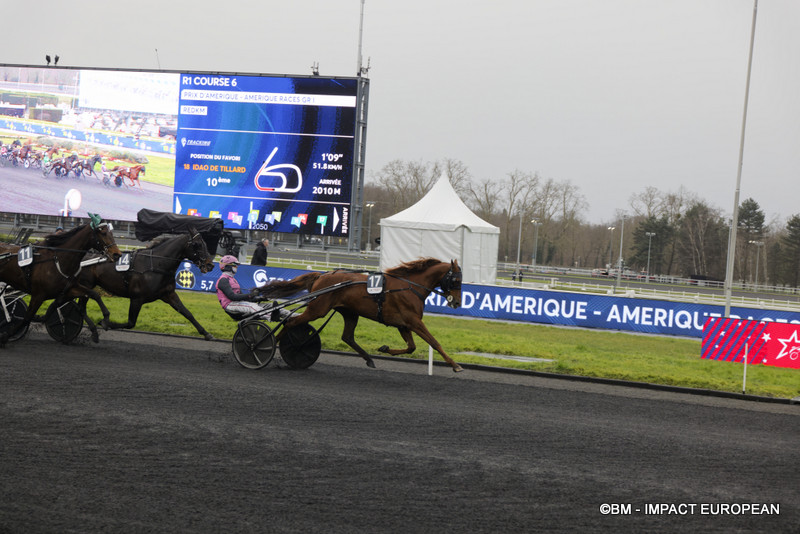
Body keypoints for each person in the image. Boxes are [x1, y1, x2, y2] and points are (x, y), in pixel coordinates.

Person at [216, 255, 292, 321]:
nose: (237, 267)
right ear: (227, 266)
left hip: (238, 303)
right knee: (252, 306)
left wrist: (260, 298)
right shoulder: (223, 280)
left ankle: (293, 316)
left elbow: (243, 298)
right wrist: (251, 295)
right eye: (235, 265)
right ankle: (270, 316)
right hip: (230, 305)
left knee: (270, 306)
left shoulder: (233, 279)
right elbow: (232, 297)